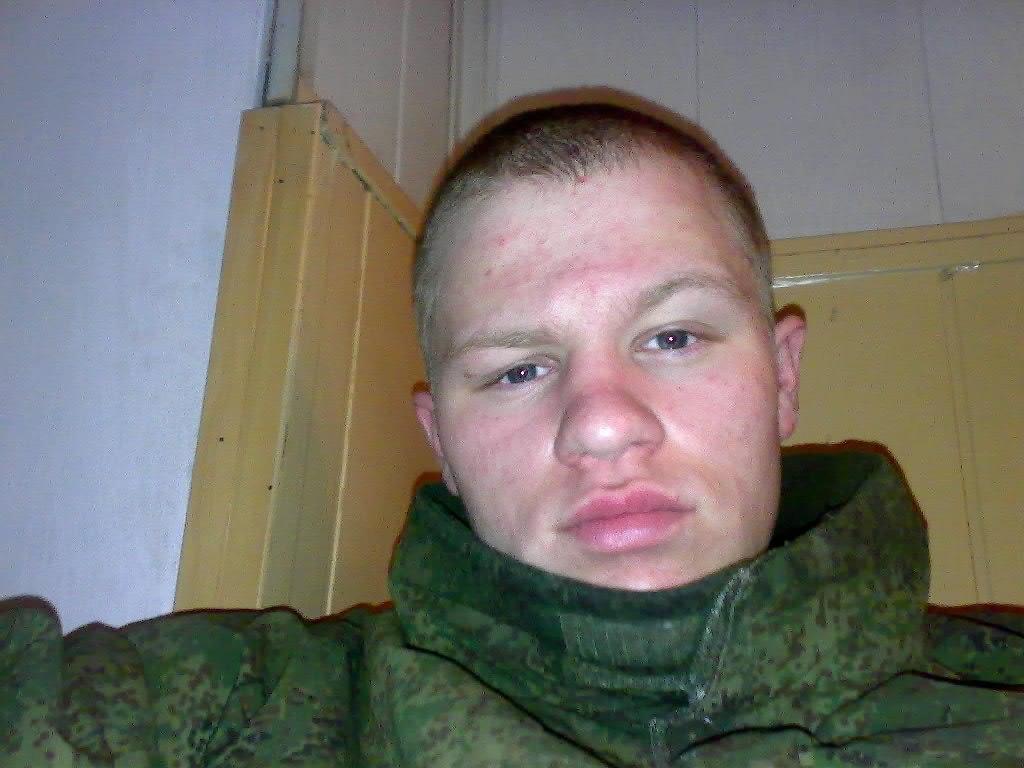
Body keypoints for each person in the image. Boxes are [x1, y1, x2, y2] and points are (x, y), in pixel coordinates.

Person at [3, 102, 1022, 767]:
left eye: (671, 337)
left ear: (782, 377)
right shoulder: (238, 715)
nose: (602, 424)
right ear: (441, 441)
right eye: (519, 369)